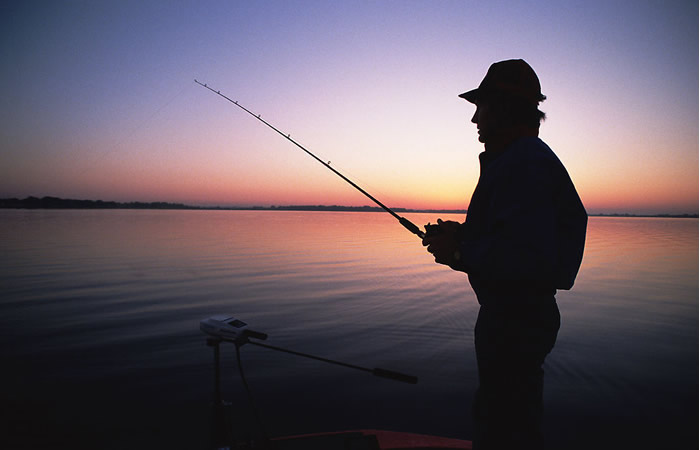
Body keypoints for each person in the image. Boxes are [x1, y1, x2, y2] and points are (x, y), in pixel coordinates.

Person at [422, 59, 587, 450]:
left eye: (481, 108)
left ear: (503, 108)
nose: (475, 119)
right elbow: (518, 235)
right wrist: (464, 236)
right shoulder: (520, 160)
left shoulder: (524, 163)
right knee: (511, 416)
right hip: (516, 316)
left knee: (504, 425)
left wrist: (460, 250)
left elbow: (530, 257)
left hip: (516, 319)